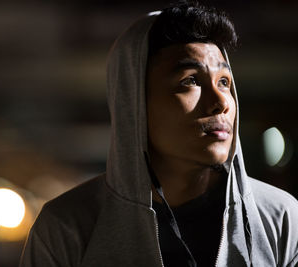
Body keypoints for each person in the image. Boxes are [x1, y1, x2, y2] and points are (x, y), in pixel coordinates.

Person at [20, 1, 298, 266]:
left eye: (224, 82)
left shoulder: (280, 217)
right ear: (134, 101)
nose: (221, 102)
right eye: (190, 80)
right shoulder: (67, 227)